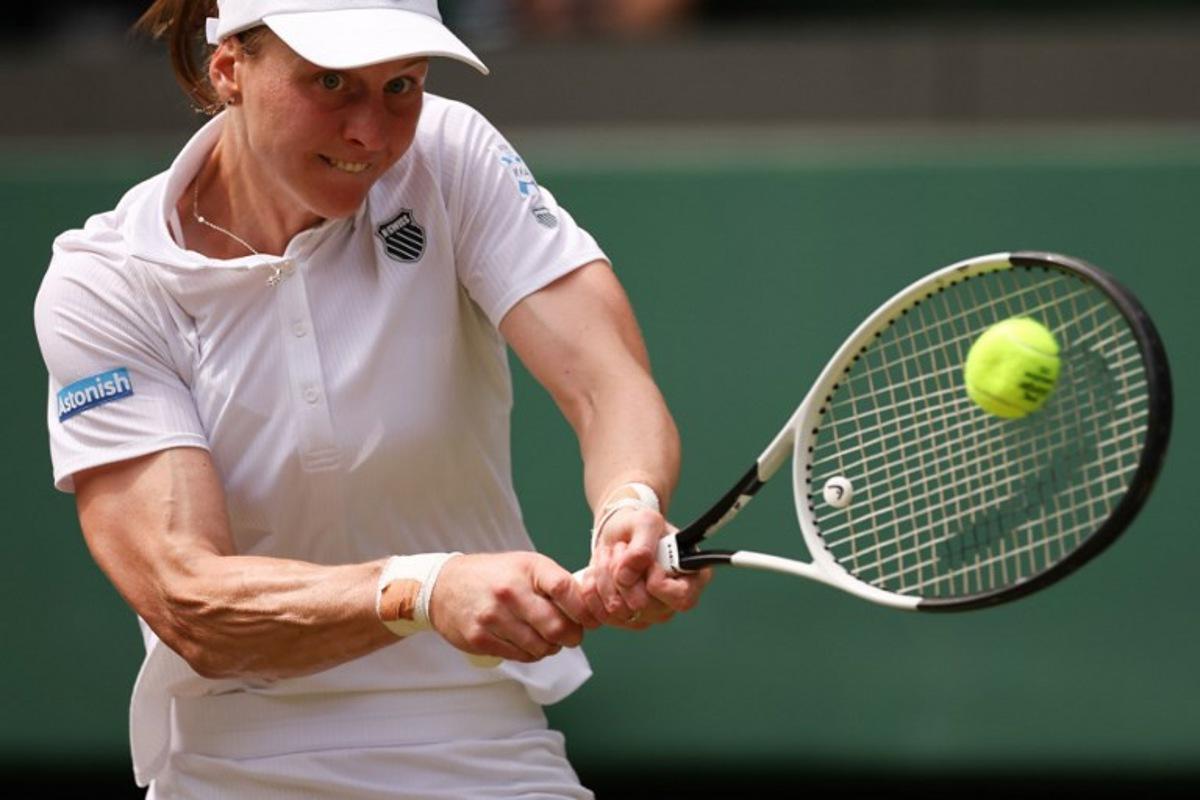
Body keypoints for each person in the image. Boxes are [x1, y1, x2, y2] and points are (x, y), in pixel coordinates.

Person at [33, 1, 710, 796]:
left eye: (400, 86)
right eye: (330, 82)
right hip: (230, 762)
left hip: (480, 740)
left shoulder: (448, 155)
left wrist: (629, 504)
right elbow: (189, 597)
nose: (372, 133)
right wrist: (422, 590)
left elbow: (608, 383)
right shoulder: (105, 282)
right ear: (229, 69)